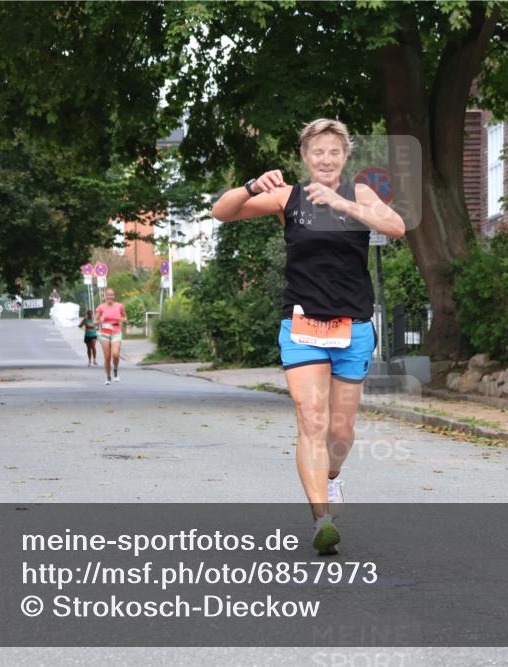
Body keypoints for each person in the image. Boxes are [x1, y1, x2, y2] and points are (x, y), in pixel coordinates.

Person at [211, 119, 404, 555]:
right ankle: (320, 521)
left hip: (352, 324)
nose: (326, 159)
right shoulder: (288, 197)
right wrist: (248, 186)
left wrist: (343, 203)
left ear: (345, 156)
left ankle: (331, 479)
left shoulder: (360, 194)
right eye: (317, 151)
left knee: (341, 431)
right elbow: (221, 212)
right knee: (311, 418)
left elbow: (395, 227)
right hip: (302, 325)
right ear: (304, 156)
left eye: (334, 151)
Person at [95, 288, 127, 385]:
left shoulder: (119, 306)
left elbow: (125, 317)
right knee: (107, 357)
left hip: (116, 332)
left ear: (114, 296)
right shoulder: (100, 307)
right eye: (108, 295)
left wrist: (121, 319)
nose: (110, 297)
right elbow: (95, 321)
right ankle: (108, 377)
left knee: (115, 354)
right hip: (104, 332)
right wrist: (101, 320)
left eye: (111, 295)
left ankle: (115, 370)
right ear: (105, 296)